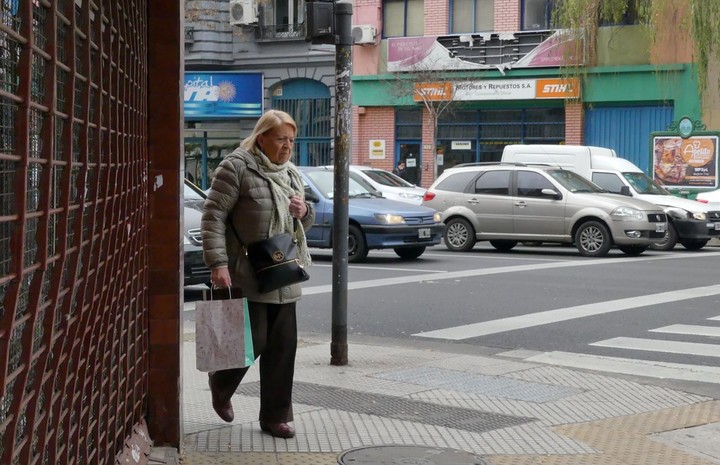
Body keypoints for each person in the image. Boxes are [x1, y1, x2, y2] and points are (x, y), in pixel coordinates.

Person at [201, 109, 315, 439]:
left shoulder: (291, 174)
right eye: (281, 139)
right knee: (250, 341)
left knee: (282, 346)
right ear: (262, 136)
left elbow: (303, 223)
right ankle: (220, 386)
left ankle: (275, 417)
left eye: (291, 140)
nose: (287, 146)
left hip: (283, 270)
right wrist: (218, 264)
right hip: (246, 269)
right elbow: (213, 217)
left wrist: (304, 211)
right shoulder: (236, 167)